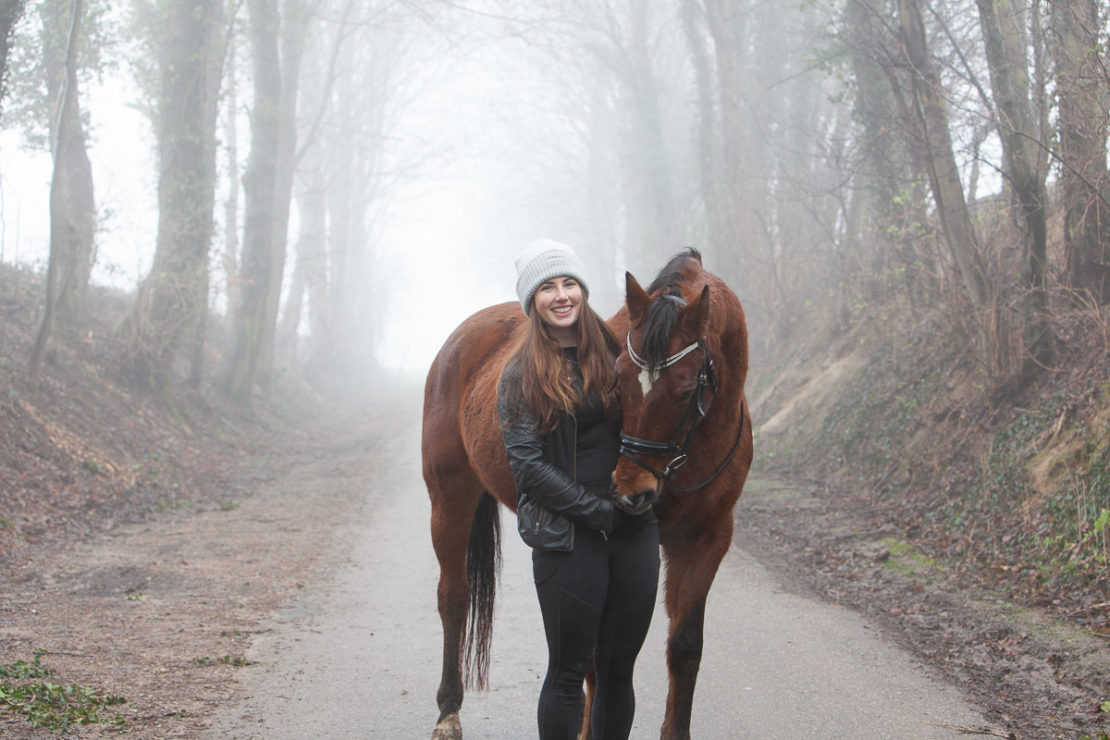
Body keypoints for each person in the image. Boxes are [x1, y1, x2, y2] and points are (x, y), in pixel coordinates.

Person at [497, 239, 660, 739]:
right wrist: (596, 512)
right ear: (533, 302)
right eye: (547, 287)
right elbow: (526, 468)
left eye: (568, 283)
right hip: (567, 536)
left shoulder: (618, 355)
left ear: (583, 290)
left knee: (617, 674)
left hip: (633, 532)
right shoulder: (521, 373)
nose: (561, 295)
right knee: (569, 673)